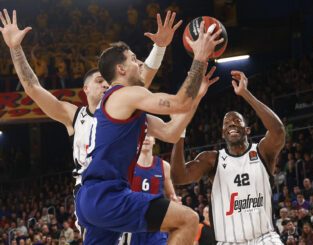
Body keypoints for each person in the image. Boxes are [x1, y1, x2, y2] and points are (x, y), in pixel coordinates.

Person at [0, 7, 181, 235]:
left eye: (107, 80)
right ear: (85, 89)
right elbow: (33, 88)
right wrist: (15, 48)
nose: (106, 84)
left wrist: (160, 46)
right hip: (93, 196)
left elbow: (143, 79)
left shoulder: (124, 106)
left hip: (124, 188)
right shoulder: (73, 116)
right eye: (99, 80)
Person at [76, 21, 223, 244]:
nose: (140, 63)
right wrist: (200, 57)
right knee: (188, 220)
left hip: (93, 198)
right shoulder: (124, 94)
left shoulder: (128, 108)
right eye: (134, 59)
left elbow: (172, 132)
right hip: (107, 195)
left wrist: (198, 97)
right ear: (121, 69)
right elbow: (180, 102)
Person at [170, 71, 286, 244]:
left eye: (237, 121)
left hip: (264, 238)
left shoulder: (262, 152)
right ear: (223, 134)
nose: (231, 123)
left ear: (247, 130)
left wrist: (246, 94)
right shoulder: (212, 160)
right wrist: (180, 131)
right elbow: (179, 177)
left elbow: (278, 131)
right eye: (226, 123)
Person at [119, 135, 180, 245]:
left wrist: (175, 201)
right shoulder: (127, 165)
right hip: (133, 224)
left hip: (156, 224)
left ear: (154, 140)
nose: (146, 138)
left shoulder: (164, 166)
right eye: (142, 135)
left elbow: (171, 195)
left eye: (149, 135)